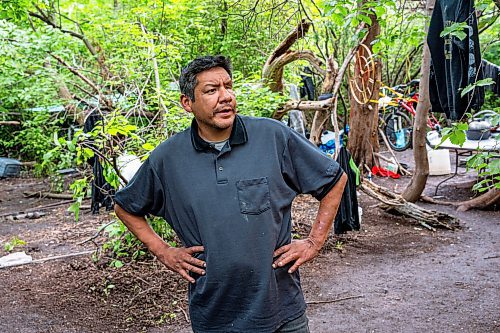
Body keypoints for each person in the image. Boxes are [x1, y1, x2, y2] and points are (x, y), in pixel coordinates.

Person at [114, 55, 347, 333]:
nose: (225, 97)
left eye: (228, 86)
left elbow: (334, 179)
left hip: (282, 310)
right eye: (211, 90)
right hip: (215, 315)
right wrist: (164, 251)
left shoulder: (271, 136)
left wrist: (313, 241)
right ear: (187, 103)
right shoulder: (168, 159)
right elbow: (126, 207)